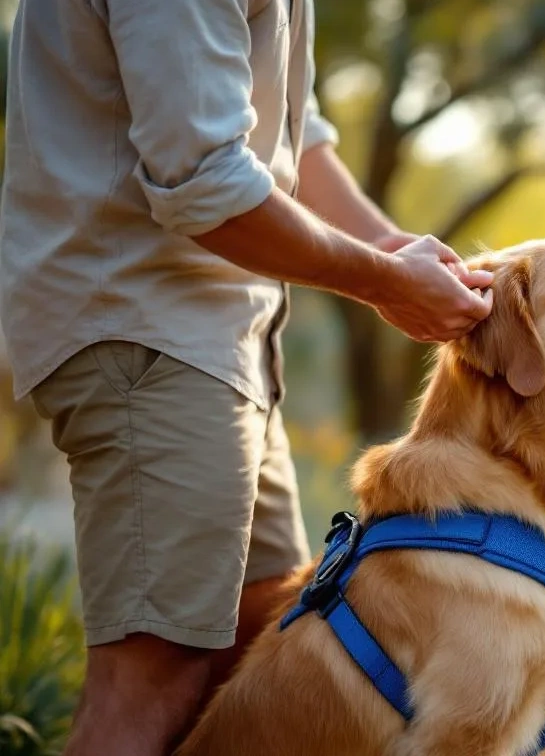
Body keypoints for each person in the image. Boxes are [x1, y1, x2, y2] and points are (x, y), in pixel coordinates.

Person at [0, 1, 493, 754]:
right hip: (145, 331)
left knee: (255, 647)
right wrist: (386, 282)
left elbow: (296, 131)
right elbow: (206, 180)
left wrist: (391, 247)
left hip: (224, 344)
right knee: (154, 676)